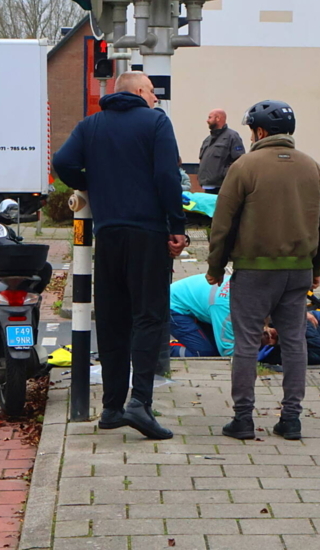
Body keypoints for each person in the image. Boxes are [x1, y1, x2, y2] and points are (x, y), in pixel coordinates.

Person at [52, 70, 187, 440]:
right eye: (153, 92)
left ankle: (111, 407)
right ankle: (139, 404)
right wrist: (177, 225)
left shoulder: (91, 124)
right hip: (148, 234)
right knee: (148, 316)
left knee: (112, 319)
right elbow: (166, 176)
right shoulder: (157, 123)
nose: (156, 99)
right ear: (141, 92)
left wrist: (93, 181)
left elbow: (62, 162)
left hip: (107, 234)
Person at [207, 100, 320, 441]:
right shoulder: (314, 168)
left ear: (259, 132)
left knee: (247, 342)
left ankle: (243, 418)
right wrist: (317, 264)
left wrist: (215, 267)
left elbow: (223, 223)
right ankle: (291, 418)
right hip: (298, 272)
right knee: (294, 342)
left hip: (254, 270)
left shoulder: (244, 167)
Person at [169, 274, 234, 357]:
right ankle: (160, 349)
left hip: (198, 303)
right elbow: (227, 351)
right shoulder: (224, 307)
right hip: (174, 307)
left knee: (215, 348)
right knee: (203, 354)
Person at [198, 109, 245, 194]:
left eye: (210, 117)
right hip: (207, 186)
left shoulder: (232, 137)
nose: (207, 121)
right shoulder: (207, 140)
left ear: (218, 118)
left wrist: (224, 174)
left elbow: (240, 160)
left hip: (223, 187)